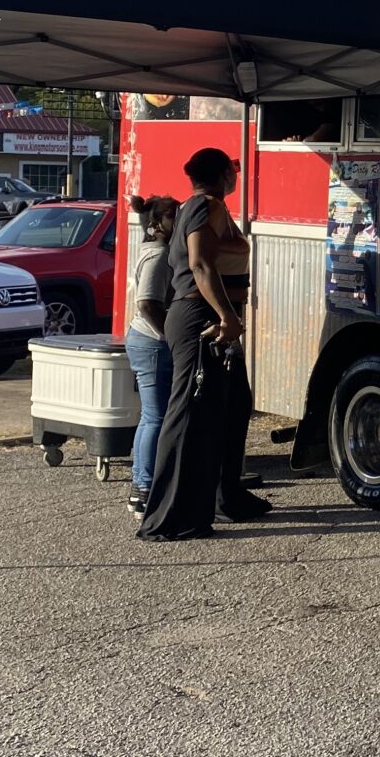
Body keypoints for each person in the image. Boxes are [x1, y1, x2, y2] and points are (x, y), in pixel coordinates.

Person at [137, 149, 270, 541]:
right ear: (223, 174)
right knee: (190, 413)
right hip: (200, 317)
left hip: (210, 315)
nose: (236, 175)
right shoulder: (203, 206)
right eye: (233, 169)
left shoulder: (208, 207)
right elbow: (200, 265)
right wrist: (227, 316)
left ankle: (225, 495)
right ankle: (170, 513)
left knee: (233, 405)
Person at [123, 192, 180, 515]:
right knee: (155, 417)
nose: (180, 219)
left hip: (148, 343)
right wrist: (169, 336)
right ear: (157, 223)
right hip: (152, 344)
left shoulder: (157, 247)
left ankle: (143, 485)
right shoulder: (158, 254)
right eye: (173, 215)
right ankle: (142, 488)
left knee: (152, 416)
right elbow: (147, 303)